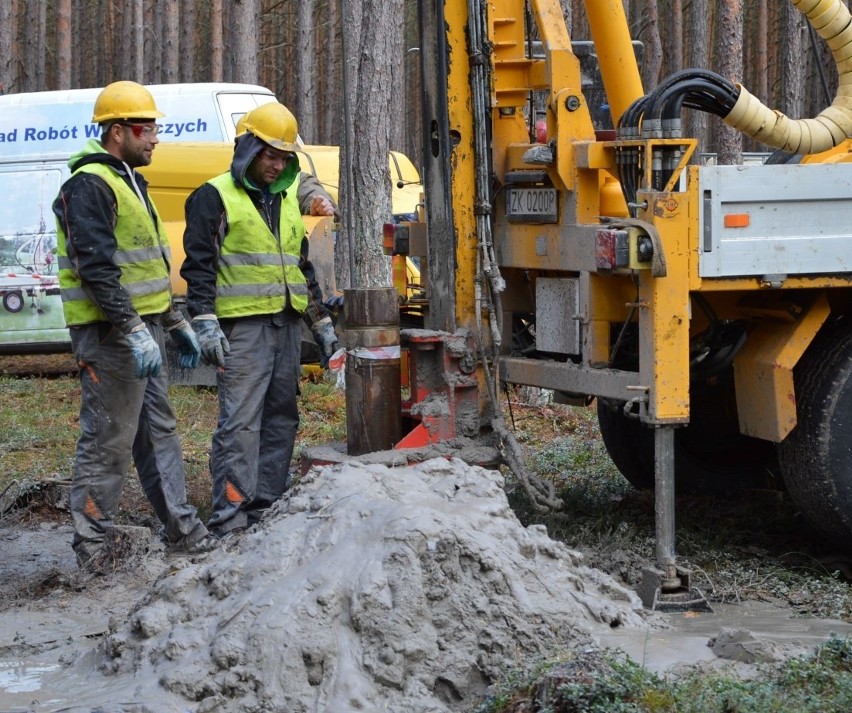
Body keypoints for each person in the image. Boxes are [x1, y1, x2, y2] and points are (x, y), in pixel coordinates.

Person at [53, 80, 218, 570]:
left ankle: (182, 527)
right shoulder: (88, 185)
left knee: (159, 432)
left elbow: (143, 266)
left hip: (139, 330)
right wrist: (131, 328)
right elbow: (95, 267)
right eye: (147, 130)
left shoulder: (127, 180)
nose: (155, 139)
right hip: (110, 336)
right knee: (109, 438)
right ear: (117, 131)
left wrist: (173, 320)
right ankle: (93, 548)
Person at [181, 101, 338, 537]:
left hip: (285, 324)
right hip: (242, 330)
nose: (277, 165)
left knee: (282, 415)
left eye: (284, 158)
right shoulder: (213, 196)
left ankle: (266, 507)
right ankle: (231, 517)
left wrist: (321, 324)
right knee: (240, 422)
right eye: (270, 155)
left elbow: (298, 267)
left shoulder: (288, 200)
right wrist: (204, 319)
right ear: (248, 149)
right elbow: (198, 266)